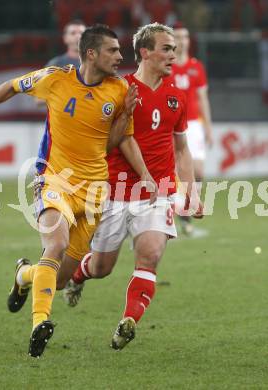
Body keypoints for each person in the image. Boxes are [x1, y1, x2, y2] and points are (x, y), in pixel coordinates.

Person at [0, 24, 152, 358]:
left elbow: (113, 143)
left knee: (62, 278)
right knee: (57, 244)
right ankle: (40, 323)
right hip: (54, 180)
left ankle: (23, 275)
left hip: (95, 191)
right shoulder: (55, 78)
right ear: (91, 53)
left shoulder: (120, 90)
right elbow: (11, 86)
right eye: (113, 50)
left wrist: (125, 116)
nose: (120, 57)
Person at [61, 23, 203, 350]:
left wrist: (190, 192)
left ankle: (128, 321)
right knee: (101, 267)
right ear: (145, 52)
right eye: (166, 49)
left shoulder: (176, 97)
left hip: (158, 193)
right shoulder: (118, 89)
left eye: (174, 49)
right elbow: (113, 141)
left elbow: (181, 149)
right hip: (115, 191)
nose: (173, 55)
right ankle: (79, 277)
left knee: (151, 254)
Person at [170, 22, 212, 235]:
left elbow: (203, 99)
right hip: (173, 126)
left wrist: (209, 128)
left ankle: (186, 211)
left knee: (198, 171)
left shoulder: (197, 66)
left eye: (184, 37)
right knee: (178, 173)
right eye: (177, 37)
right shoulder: (166, 67)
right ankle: (184, 222)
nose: (181, 40)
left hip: (195, 125)